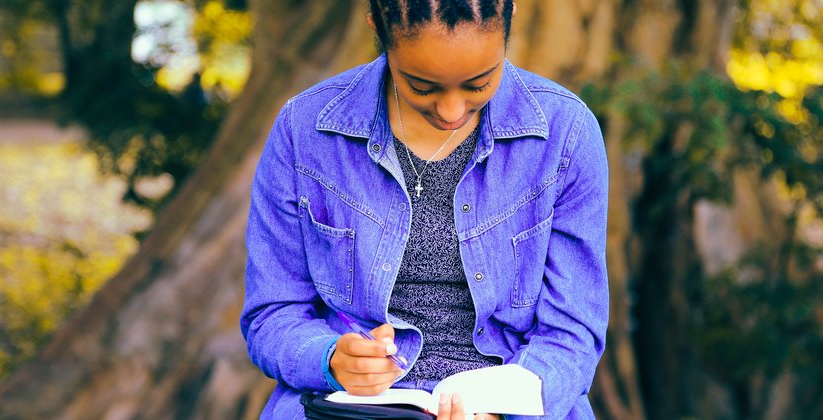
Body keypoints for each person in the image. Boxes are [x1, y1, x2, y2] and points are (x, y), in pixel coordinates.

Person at [240, 1, 610, 419]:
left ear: (508, 25)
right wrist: (329, 359)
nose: (451, 111)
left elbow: (572, 333)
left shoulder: (566, 133)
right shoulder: (304, 130)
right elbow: (272, 312)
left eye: (478, 84)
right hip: (352, 410)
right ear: (376, 29)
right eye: (421, 87)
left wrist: (502, 410)